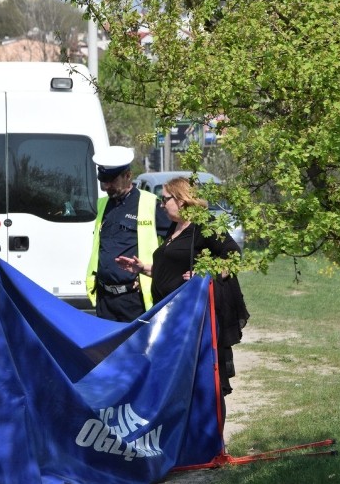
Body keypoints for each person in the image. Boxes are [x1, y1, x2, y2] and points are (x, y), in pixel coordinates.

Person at [115, 176, 248, 403]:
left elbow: (233, 257)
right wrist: (143, 268)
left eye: (165, 199)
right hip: (170, 318)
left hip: (192, 320)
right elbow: (172, 269)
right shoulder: (175, 227)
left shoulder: (204, 226)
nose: (161, 205)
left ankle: (211, 436)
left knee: (203, 384)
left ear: (182, 200)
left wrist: (208, 275)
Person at [85, 146, 159, 322]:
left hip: (133, 300)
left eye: (111, 181)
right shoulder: (103, 204)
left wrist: (153, 274)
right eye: (103, 181)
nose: (106, 187)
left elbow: (176, 241)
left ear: (128, 176)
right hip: (104, 299)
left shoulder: (149, 203)